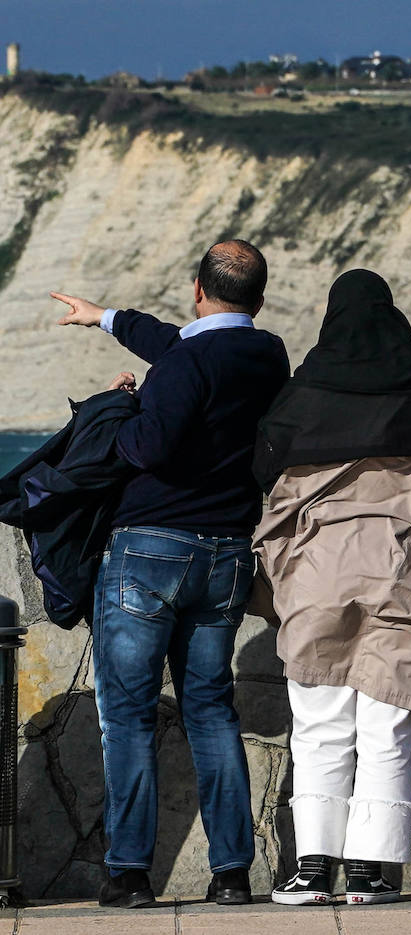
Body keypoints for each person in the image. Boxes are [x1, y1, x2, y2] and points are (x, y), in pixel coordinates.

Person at [50, 240, 291, 908]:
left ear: (196, 289)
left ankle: (129, 872)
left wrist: (117, 407)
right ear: (260, 300)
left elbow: (149, 443)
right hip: (225, 554)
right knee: (211, 710)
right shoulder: (266, 354)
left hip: (151, 551)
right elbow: (185, 348)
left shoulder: (187, 361)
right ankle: (233, 871)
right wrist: (107, 317)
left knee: (126, 714)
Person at [251, 269, 411, 906]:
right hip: (404, 572)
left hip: (318, 575)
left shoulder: (300, 398)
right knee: (387, 724)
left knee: (317, 724)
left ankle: (311, 869)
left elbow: (267, 480)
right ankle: (369, 875)